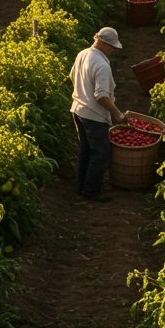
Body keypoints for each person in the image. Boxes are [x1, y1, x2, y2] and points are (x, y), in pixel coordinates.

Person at [69, 27, 126, 202]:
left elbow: (72, 75)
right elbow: (101, 95)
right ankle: (91, 191)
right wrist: (116, 113)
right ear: (102, 43)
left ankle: (82, 185)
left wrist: (82, 91)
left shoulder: (83, 53)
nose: (112, 51)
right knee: (100, 153)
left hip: (78, 109)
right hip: (93, 114)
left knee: (85, 149)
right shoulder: (101, 64)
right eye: (111, 47)